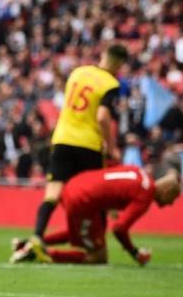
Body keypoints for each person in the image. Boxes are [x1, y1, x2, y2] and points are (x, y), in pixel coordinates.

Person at [22, 44, 128, 261]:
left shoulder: (78, 72)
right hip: (89, 144)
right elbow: (102, 116)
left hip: (62, 139)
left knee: (52, 192)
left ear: (103, 55)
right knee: (98, 197)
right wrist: (111, 146)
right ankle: (98, 247)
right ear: (119, 64)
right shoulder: (111, 83)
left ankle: (37, 236)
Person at [11, 166, 182, 265]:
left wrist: (110, 204)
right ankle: (43, 254)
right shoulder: (146, 193)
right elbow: (119, 228)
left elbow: (113, 182)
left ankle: (28, 244)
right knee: (99, 256)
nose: (170, 204)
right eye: (172, 198)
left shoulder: (139, 172)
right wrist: (134, 253)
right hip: (83, 200)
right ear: (166, 190)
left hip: (76, 185)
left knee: (82, 232)